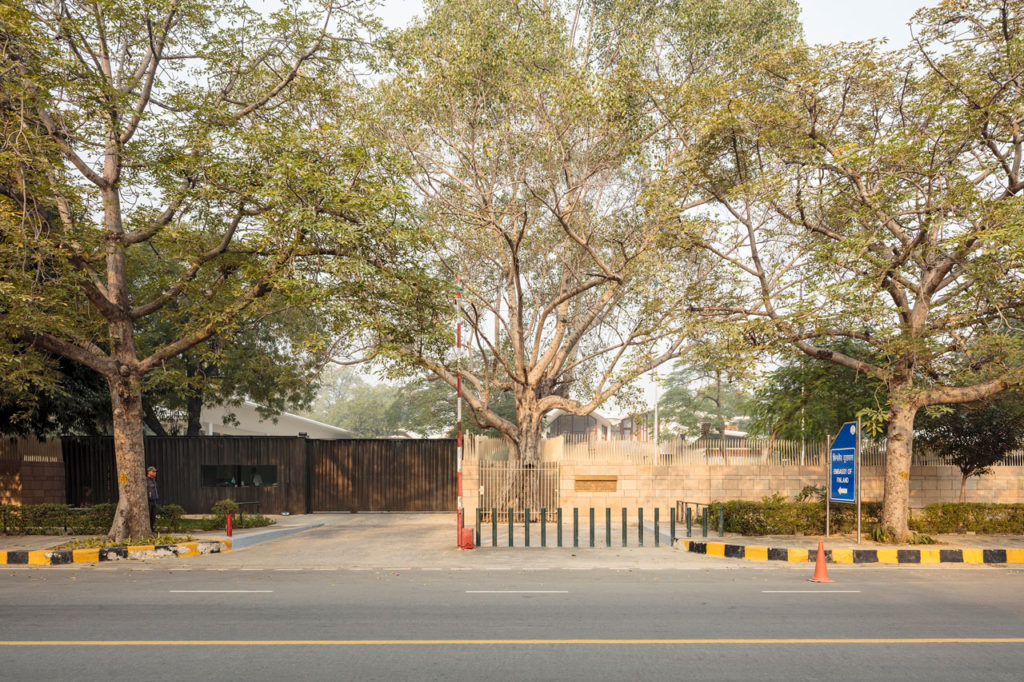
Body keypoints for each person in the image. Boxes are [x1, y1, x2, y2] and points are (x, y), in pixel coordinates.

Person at [146, 466, 159, 530]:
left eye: (155, 472)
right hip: (149, 501)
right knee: (149, 516)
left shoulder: (153, 480)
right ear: (149, 472)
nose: (155, 473)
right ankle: (150, 528)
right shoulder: (146, 480)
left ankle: (152, 528)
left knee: (153, 516)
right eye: (153, 471)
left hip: (154, 500)